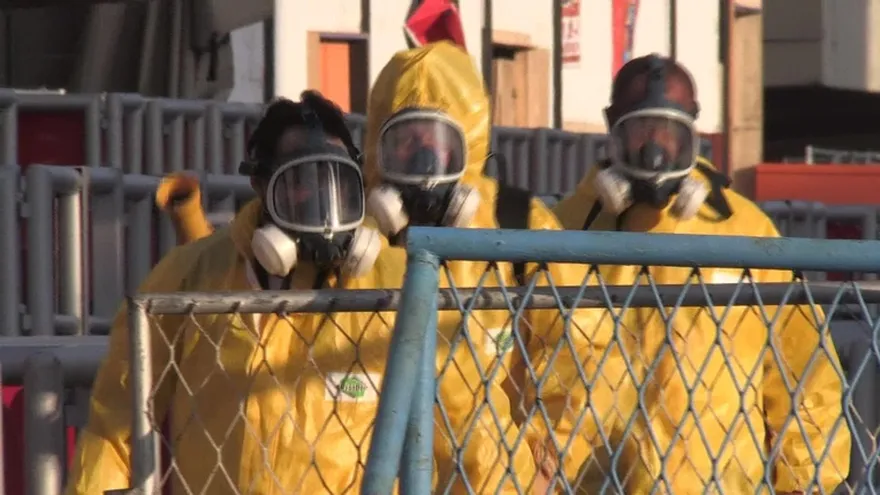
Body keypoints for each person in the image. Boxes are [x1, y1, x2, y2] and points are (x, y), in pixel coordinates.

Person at [67, 91, 439, 494]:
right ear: (261, 185)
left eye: (337, 182)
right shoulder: (189, 277)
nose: (321, 199)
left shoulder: (400, 284)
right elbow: (116, 421)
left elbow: (457, 425)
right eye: (300, 181)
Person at [551, 54, 851, 493]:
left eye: (670, 132)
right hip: (593, 482)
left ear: (693, 132)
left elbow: (803, 370)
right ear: (612, 126)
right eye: (640, 129)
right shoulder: (560, 231)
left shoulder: (746, 233)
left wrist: (803, 482)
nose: (654, 149)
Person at [363, 40, 604, 494]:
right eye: (404, 140)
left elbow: (581, 353)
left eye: (435, 139)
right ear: (377, 146)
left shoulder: (519, 226)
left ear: (468, 143)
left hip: (495, 481)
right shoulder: (359, 237)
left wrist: (545, 466)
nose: (421, 155)